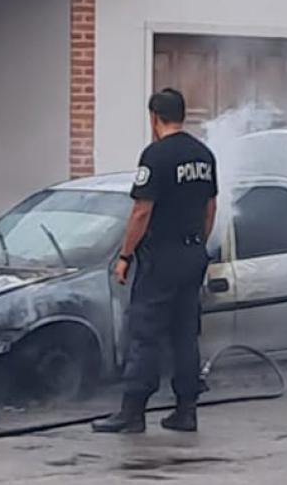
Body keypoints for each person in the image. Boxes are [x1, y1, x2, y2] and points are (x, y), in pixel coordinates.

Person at [92, 88, 217, 434]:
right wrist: (196, 245)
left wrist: (124, 256)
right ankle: (186, 411)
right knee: (185, 333)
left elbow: (141, 211)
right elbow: (210, 208)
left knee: (145, 332)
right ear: (183, 114)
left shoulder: (156, 155)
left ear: (154, 118)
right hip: (192, 254)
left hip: (161, 257)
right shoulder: (204, 155)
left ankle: (132, 413)